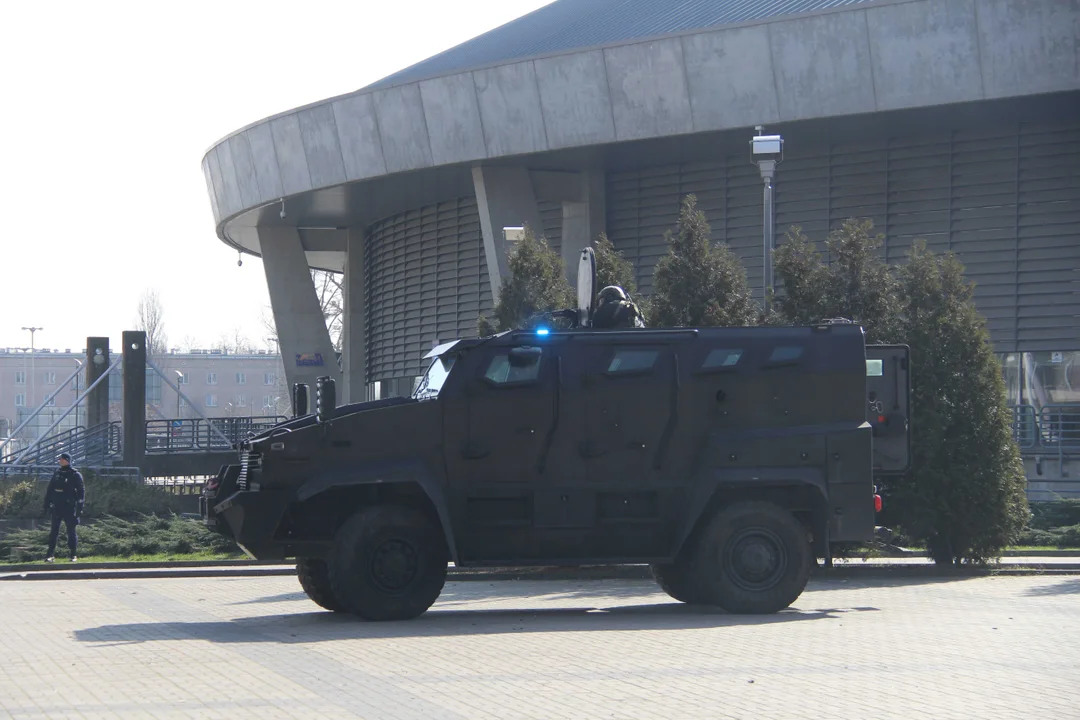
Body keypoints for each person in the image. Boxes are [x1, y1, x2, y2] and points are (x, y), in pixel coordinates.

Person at [42, 452, 85, 563]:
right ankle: (50, 555)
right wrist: (46, 505)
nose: (60, 461)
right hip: (57, 506)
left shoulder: (75, 474)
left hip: (69, 507)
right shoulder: (57, 473)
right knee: (54, 531)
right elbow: (50, 490)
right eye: (59, 459)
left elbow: (81, 492)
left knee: (71, 531)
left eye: (62, 459)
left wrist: (80, 507)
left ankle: (73, 554)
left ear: (67, 460)